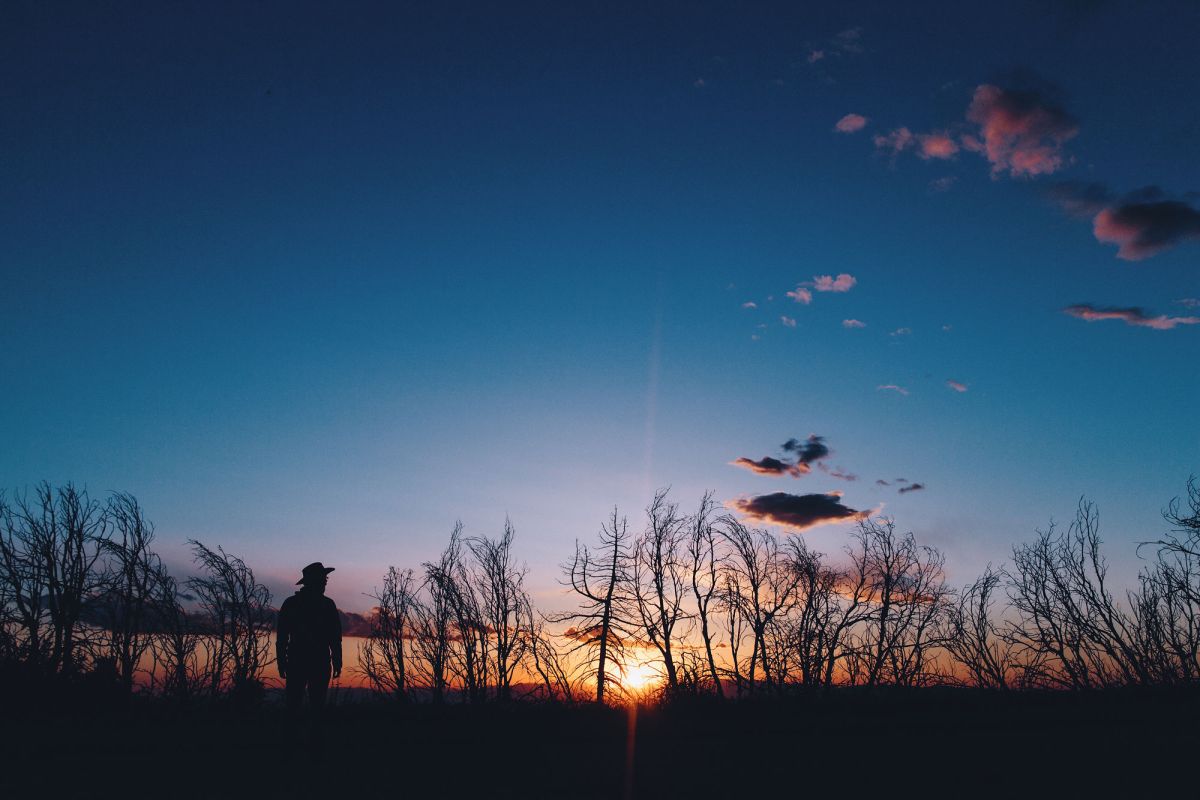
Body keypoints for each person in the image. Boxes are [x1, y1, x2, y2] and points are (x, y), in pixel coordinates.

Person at [277, 561, 342, 711]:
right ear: (315, 581)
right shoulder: (326, 605)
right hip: (313, 662)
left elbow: (282, 637)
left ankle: (298, 734)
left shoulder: (292, 604)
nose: (325, 583)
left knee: (296, 707)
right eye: (323, 579)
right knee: (312, 707)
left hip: (300, 661)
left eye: (325, 580)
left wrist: (282, 661)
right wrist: (337, 660)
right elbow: (335, 636)